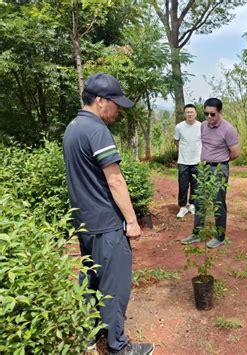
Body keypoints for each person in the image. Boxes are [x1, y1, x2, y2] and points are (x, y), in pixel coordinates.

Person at [63, 73, 154, 354]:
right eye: (115, 104)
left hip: (85, 223)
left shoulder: (73, 127)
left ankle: (89, 335)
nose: (118, 110)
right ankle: (118, 346)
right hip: (106, 223)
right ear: (101, 101)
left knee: (90, 278)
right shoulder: (97, 130)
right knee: (114, 285)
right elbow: (114, 180)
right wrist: (131, 220)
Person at [180, 98, 240, 249]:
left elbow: (235, 153)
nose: (208, 117)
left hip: (219, 169)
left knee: (218, 202)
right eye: (206, 113)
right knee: (199, 201)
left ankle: (220, 236)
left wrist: (220, 163)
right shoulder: (203, 126)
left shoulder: (228, 129)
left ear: (220, 112)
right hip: (203, 168)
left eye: (212, 114)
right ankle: (196, 233)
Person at [174, 104, 201, 218]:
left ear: (195, 113)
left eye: (192, 112)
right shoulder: (179, 127)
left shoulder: (201, 126)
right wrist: (182, 150)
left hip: (197, 160)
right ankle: (182, 207)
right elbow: (176, 140)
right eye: (187, 112)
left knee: (196, 184)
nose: (190, 114)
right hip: (183, 160)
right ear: (185, 114)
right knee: (183, 185)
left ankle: (192, 205)